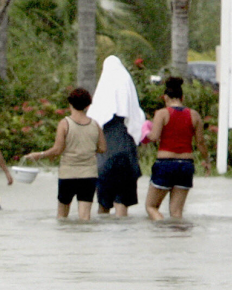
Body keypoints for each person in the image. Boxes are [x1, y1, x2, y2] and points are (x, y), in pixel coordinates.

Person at [23, 88, 106, 220]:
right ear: (87, 105)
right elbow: (102, 148)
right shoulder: (95, 125)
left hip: (68, 174)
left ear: (70, 103)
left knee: (62, 216)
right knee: (85, 217)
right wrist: (87, 148)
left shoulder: (65, 123)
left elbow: (57, 150)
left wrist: (40, 155)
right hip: (89, 175)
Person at [145, 77, 211, 221]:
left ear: (166, 97)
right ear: (183, 97)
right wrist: (207, 161)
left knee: (151, 207)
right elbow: (200, 142)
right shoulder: (194, 115)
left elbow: (154, 137)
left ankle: (162, 233)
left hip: (165, 164)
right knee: (176, 213)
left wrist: (145, 132)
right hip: (186, 166)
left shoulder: (162, 113)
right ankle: (177, 240)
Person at [88, 55, 145, 217]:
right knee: (122, 204)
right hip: (127, 157)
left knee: (103, 205)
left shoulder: (100, 107)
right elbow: (138, 122)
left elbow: (93, 121)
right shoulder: (131, 111)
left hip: (106, 160)